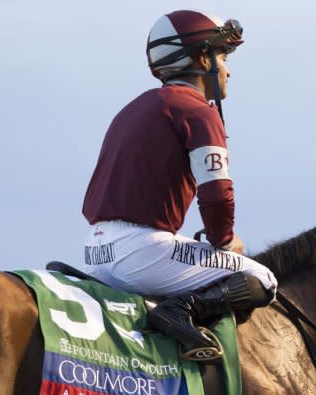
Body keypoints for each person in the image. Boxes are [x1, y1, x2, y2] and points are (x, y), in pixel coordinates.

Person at [81, 10, 277, 359]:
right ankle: (181, 312)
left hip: (95, 251)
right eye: (222, 56)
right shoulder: (198, 111)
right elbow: (217, 196)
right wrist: (225, 240)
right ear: (202, 58)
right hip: (140, 251)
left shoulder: (132, 108)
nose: (227, 69)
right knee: (263, 280)